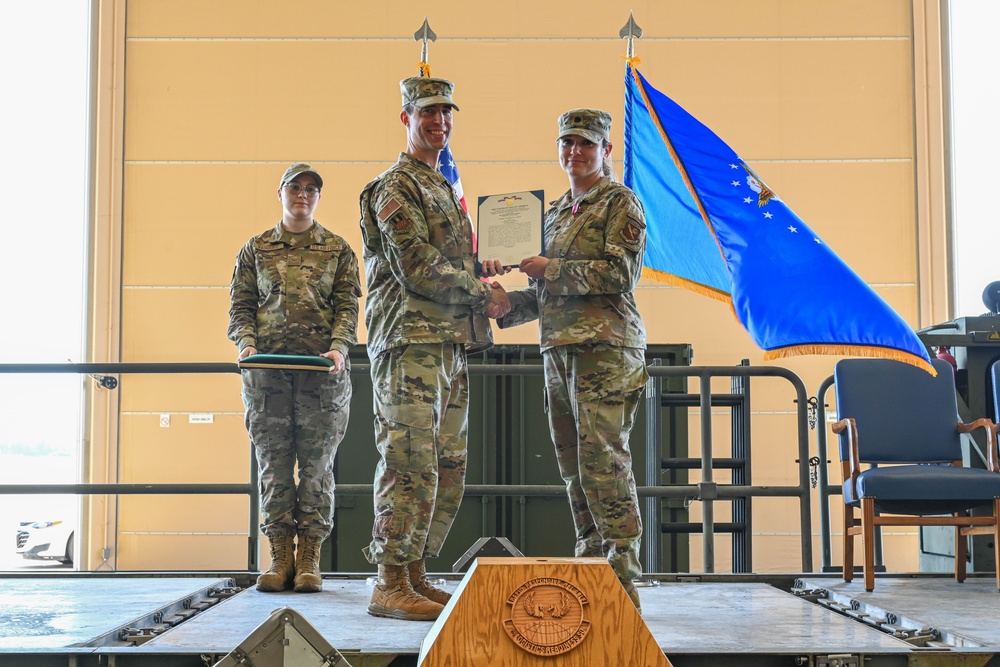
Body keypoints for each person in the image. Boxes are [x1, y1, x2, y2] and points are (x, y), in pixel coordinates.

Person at [358, 76, 510, 621]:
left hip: (448, 344)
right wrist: (480, 289)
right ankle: (388, 581)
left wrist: (484, 266)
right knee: (408, 461)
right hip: (409, 343)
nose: (439, 122)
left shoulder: (443, 187)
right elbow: (416, 266)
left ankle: (415, 573)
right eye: (428, 113)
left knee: (445, 466)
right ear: (406, 118)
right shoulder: (394, 187)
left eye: (446, 112)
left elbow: (450, 258)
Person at [496, 109, 648, 613]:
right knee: (574, 467)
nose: (574, 153)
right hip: (558, 350)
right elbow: (543, 291)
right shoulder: (555, 211)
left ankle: (622, 583)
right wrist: (506, 305)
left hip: (605, 349)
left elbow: (620, 273)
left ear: (606, 151)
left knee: (605, 463)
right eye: (567, 144)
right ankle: (591, 568)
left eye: (586, 144)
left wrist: (553, 267)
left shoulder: (620, 203)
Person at [228, 163, 362, 593]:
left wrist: (340, 347)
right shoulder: (256, 248)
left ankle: (309, 561)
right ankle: (279, 557)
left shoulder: (337, 249)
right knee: (274, 466)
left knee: (318, 469)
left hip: (322, 377)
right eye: (295, 187)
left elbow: (347, 309)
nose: (302, 195)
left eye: (311, 189)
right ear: (281, 193)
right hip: (267, 376)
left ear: (318, 198)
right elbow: (241, 306)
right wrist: (246, 346)